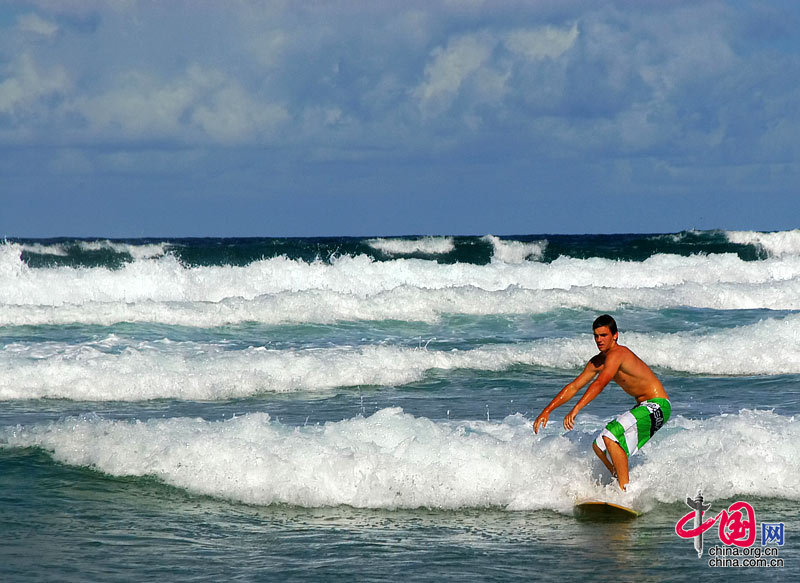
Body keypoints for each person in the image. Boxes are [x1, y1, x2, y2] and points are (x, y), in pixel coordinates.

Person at [532, 315, 670, 490]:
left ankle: (624, 491)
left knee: (610, 436)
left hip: (658, 405)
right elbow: (574, 386)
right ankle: (619, 482)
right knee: (600, 445)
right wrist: (547, 410)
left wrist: (575, 410)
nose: (599, 340)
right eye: (596, 336)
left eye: (603, 335)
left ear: (615, 335)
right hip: (642, 407)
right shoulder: (597, 361)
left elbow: (600, 383)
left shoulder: (618, 353)